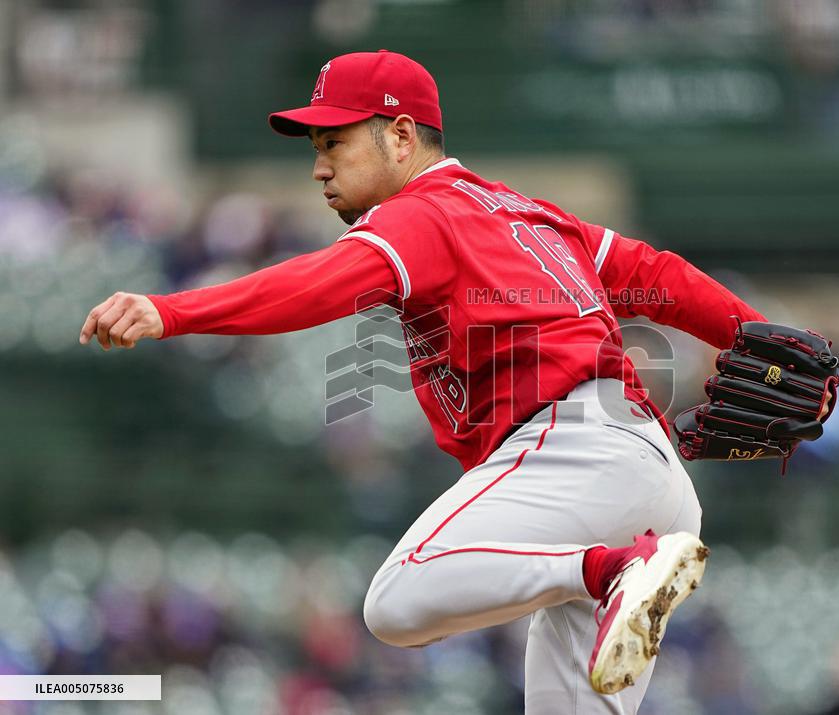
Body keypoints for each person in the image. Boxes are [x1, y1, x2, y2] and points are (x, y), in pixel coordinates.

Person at [79, 50, 765, 714]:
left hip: (571, 448)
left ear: (401, 135)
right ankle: (615, 568)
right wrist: (758, 342)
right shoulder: (529, 213)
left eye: (334, 142)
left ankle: (610, 571)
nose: (319, 168)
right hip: (656, 479)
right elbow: (657, 275)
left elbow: (317, 283)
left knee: (397, 598)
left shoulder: (420, 213)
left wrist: (171, 310)